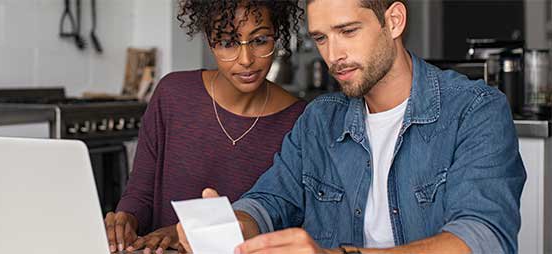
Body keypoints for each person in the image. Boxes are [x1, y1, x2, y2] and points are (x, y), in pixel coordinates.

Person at [178, 0, 527, 253]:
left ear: (394, 21)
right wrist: (233, 224)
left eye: (347, 31)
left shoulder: (474, 109)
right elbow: (270, 200)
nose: (333, 55)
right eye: (321, 38)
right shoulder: (319, 120)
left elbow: (483, 238)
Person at [104, 1, 305, 253]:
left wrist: (188, 233)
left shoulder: (300, 120)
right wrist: (126, 219)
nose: (246, 60)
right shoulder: (172, 94)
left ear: (278, 35)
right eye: (228, 43)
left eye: (260, 40)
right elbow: (141, 191)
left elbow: (282, 219)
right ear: (210, 42)